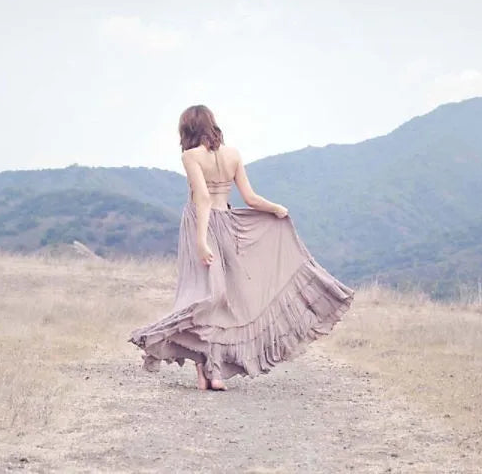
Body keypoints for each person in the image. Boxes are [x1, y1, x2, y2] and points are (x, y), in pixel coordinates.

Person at [128, 105, 355, 390]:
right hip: (229, 224)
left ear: (187, 129)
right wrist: (277, 209)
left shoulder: (189, 156)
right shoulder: (232, 154)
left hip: (203, 224)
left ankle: (206, 372)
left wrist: (200, 239)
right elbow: (250, 198)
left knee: (202, 296)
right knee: (219, 299)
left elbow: (202, 198)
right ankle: (214, 372)